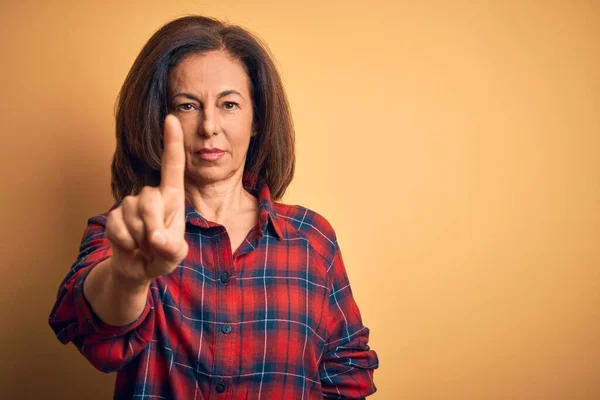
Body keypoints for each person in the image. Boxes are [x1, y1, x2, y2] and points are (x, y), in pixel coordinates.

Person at [49, 15, 378, 399]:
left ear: (257, 119)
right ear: (159, 120)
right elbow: (95, 333)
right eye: (187, 106)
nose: (209, 126)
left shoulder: (312, 240)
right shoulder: (130, 231)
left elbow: (347, 374)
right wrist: (128, 276)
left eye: (229, 104)